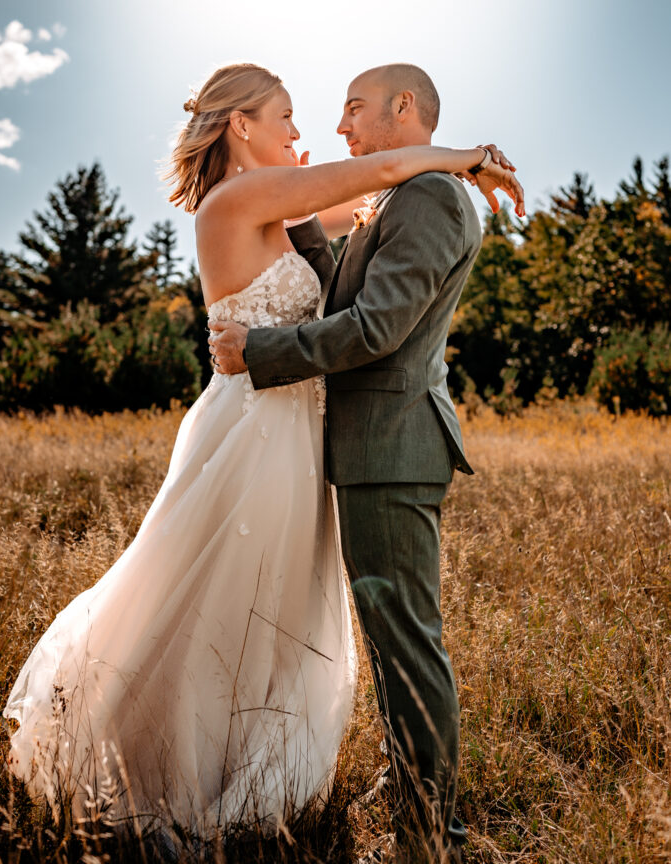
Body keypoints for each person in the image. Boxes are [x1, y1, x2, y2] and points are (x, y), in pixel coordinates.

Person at [3, 62, 521, 846]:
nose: (306, 130)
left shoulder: (281, 209)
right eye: (285, 115)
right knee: (216, 604)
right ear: (241, 126)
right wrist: (464, 155)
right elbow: (378, 174)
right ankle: (175, 770)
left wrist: (433, 173)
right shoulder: (241, 198)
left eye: (335, 110)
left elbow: (363, 219)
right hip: (256, 434)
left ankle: (248, 771)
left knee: (270, 613)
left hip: (300, 440)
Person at [208, 63, 524, 862]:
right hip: (371, 448)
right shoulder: (403, 196)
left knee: (409, 641)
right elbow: (335, 284)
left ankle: (430, 833)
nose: (339, 127)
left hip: (393, 446)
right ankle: (407, 776)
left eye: (354, 108)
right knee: (390, 637)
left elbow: (376, 327)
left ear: (405, 107)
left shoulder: (428, 196)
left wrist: (264, 350)